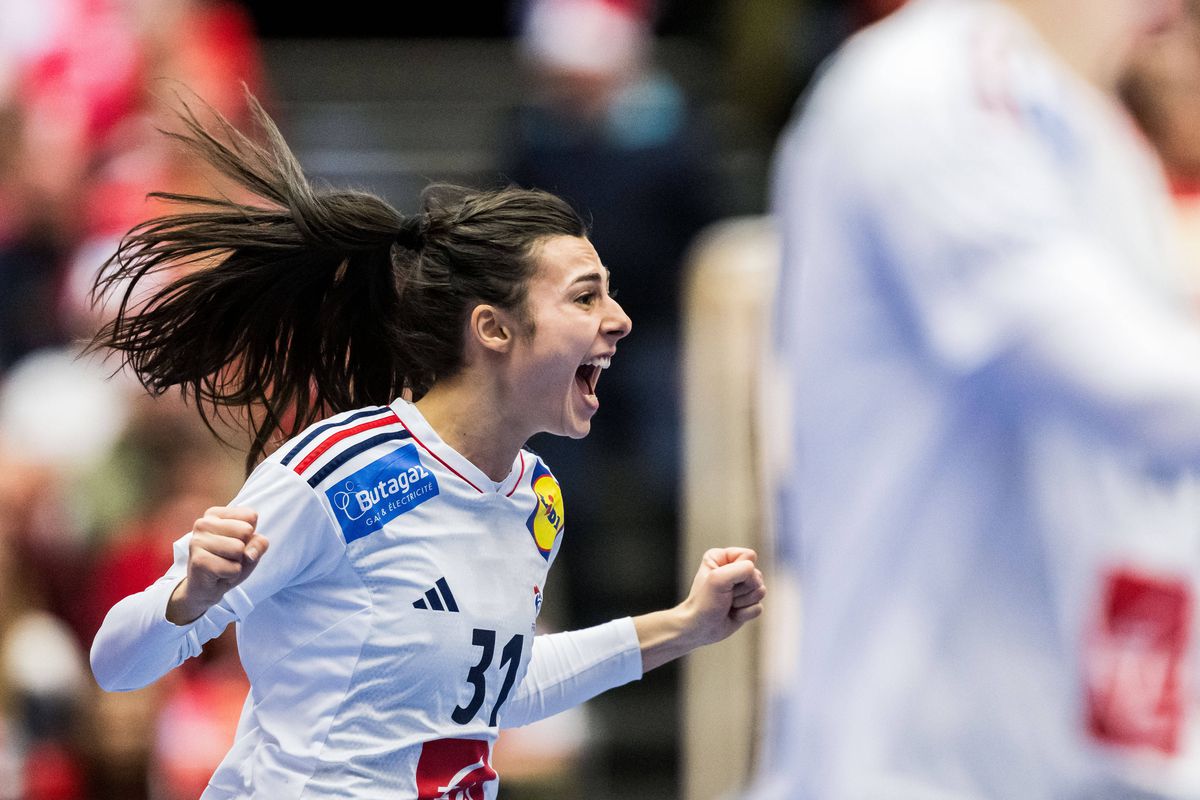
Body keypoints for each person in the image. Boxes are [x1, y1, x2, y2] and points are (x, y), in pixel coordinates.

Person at [86, 94, 766, 800]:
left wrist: (686, 625)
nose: (620, 320)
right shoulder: (341, 473)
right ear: (493, 330)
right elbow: (114, 663)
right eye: (586, 298)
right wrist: (191, 597)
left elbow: (490, 690)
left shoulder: (537, 498)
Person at [752, 0, 1200, 798]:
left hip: (1078, 748)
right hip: (914, 763)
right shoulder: (929, 83)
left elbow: (1143, 484)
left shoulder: (1096, 131)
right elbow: (1125, 381)